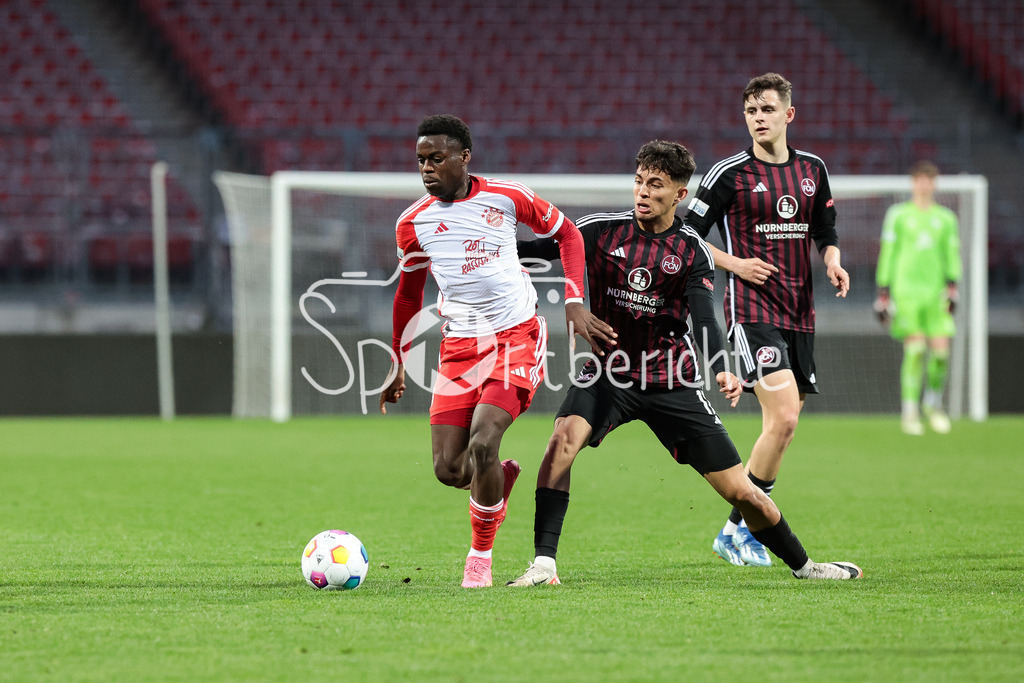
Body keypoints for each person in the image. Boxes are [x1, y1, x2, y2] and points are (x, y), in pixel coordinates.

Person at [507, 140, 863, 586]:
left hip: (670, 380)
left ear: (678, 195)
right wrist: (486, 243)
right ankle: (544, 565)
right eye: (638, 181)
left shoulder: (691, 250)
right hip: (607, 373)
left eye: (655, 184)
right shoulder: (598, 231)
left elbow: (704, 317)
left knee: (741, 491)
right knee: (561, 442)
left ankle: (806, 567)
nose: (642, 191)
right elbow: (541, 250)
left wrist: (722, 368)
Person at [379, 114, 614, 588]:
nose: (427, 169)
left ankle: (479, 562)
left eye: (437, 158)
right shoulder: (413, 223)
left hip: (516, 338)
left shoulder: (507, 197)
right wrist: (398, 361)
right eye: (421, 160)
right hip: (459, 348)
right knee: (450, 469)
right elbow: (408, 295)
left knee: (484, 440)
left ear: (464, 157)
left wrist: (572, 300)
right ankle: (496, 480)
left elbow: (568, 234)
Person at [682, 73, 851, 568]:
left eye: (768, 110)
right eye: (752, 111)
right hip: (752, 311)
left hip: (800, 310)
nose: (759, 118)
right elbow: (686, 234)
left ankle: (739, 530)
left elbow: (824, 226)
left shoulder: (812, 169)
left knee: (782, 429)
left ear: (788, 115)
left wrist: (833, 259)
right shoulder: (728, 174)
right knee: (786, 416)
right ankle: (742, 531)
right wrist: (736, 265)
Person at [874, 161, 961, 435]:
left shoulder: (946, 218)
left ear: (934, 184)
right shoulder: (898, 215)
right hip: (906, 292)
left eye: (929, 180)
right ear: (913, 183)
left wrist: (953, 285)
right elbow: (888, 252)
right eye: (920, 180)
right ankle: (910, 411)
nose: (924, 185)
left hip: (935, 293)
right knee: (915, 350)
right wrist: (884, 290)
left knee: (941, 354)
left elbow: (951, 254)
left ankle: (933, 405)